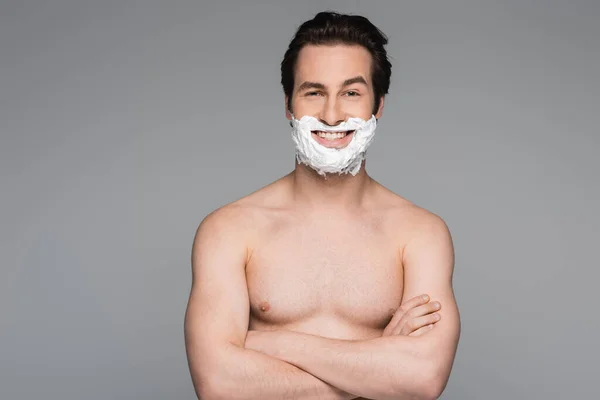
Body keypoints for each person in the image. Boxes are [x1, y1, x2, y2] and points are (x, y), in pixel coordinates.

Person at [184, 11, 460, 400]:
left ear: (378, 106)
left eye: (351, 93)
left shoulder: (419, 234)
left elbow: (422, 379)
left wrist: (271, 344)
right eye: (314, 92)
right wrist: (377, 360)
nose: (331, 116)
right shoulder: (229, 230)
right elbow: (218, 384)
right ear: (288, 106)